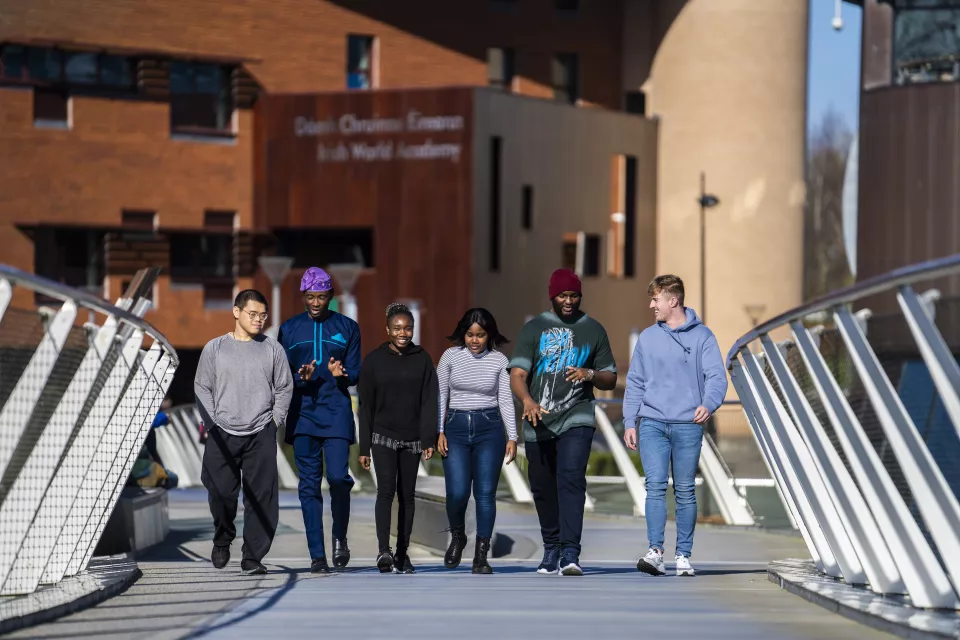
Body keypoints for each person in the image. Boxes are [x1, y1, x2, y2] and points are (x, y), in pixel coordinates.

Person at [509, 269, 617, 576]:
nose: (568, 301)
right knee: (542, 487)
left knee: (571, 479)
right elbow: (517, 375)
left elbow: (610, 377)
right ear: (552, 296)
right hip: (539, 419)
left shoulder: (593, 330)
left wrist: (590, 374)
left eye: (574, 295)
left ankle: (571, 552)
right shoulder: (534, 329)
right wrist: (527, 401)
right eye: (562, 296)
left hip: (577, 416)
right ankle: (551, 548)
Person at [622, 275, 727, 577]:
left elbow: (717, 377)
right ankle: (655, 552)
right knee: (654, 486)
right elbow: (636, 382)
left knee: (684, 490)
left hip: (687, 425)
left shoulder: (703, 337)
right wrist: (630, 421)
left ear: (673, 300)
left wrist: (709, 404)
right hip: (652, 423)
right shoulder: (647, 338)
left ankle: (683, 554)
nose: (651, 304)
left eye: (656, 299)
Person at [195, 289, 294, 576]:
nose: (259, 320)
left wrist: (275, 421)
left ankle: (252, 557)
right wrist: (211, 422)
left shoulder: (273, 349)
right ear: (237, 312)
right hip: (221, 431)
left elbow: (285, 387)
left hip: (260, 432)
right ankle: (223, 536)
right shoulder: (215, 348)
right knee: (221, 492)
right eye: (253, 314)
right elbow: (202, 386)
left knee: (262, 497)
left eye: (263, 315)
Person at [277, 267, 362, 574]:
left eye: (322, 297)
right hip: (302, 414)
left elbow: (355, 371)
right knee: (308, 486)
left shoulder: (348, 327)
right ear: (303, 296)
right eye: (311, 297)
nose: (316, 302)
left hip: (337, 412)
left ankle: (340, 536)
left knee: (338, 478)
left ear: (330, 296)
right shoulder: (288, 329)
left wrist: (344, 376)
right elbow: (281, 375)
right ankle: (317, 556)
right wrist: (300, 379)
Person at [358, 302, 437, 574]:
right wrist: (364, 446)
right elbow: (365, 406)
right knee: (385, 492)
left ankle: (403, 553)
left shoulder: (423, 359)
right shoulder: (374, 361)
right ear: (387, 330)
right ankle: (384, 551)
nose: (403, 333)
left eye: (408, 328)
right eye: (397, 328)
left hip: (413, 439)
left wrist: (429, 439)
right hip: (383, 436)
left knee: (407, 496)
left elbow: (430, 402)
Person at [437, 308, 517, 574]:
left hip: (489, 429)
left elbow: (505, 399)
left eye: (480, 335)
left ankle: (481, 555)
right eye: (470, 335)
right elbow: (441, 396)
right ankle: (458, 536)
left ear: (489, 335)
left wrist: (512, 436)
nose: (474, 340)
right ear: (463, 334)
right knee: (457, 492)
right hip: (455, 429)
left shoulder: (499, 360)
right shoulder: (450, 356)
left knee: (485, 495)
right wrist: (438, 431)